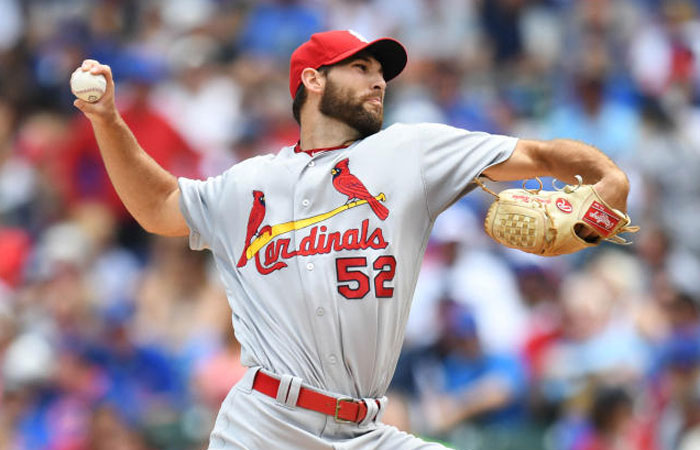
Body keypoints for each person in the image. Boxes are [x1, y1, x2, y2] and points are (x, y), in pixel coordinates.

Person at [72, 29, 631, 449]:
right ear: (313, 81)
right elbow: (160, 206)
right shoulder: (246, 184)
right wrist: (108, 122)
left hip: (366, 430)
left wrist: (611, 179)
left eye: (380, 71)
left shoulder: (411, 151)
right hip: (264, 426)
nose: (378, 80)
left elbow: (538, 154)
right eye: (360, 67)